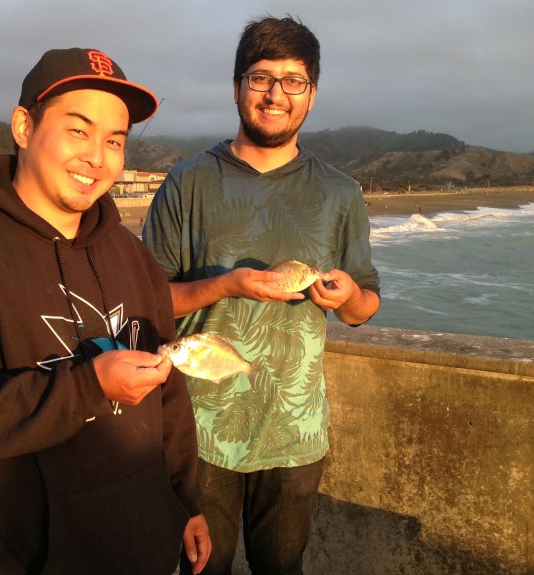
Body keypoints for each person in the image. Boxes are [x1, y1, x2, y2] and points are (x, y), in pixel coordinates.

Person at [0, 48, 210, 574]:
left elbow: (168, 393)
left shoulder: (133, 256)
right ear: (23, 125)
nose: (97, 157)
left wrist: (186, 500)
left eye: (114, 141)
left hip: (148, 547)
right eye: (78, 131)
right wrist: (89, 385)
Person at [143, 16, 380, 574]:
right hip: (200, 431)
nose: (276, 94)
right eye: (261, 78)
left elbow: (365, 305)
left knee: (282, 567)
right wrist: (227, 284)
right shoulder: (188, 182)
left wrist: (345, 297)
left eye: (293, 81)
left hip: (296, 433)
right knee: (204, 569)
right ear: (236, 86)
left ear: (312, 94)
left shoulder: (341, 193)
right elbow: (148, 301)